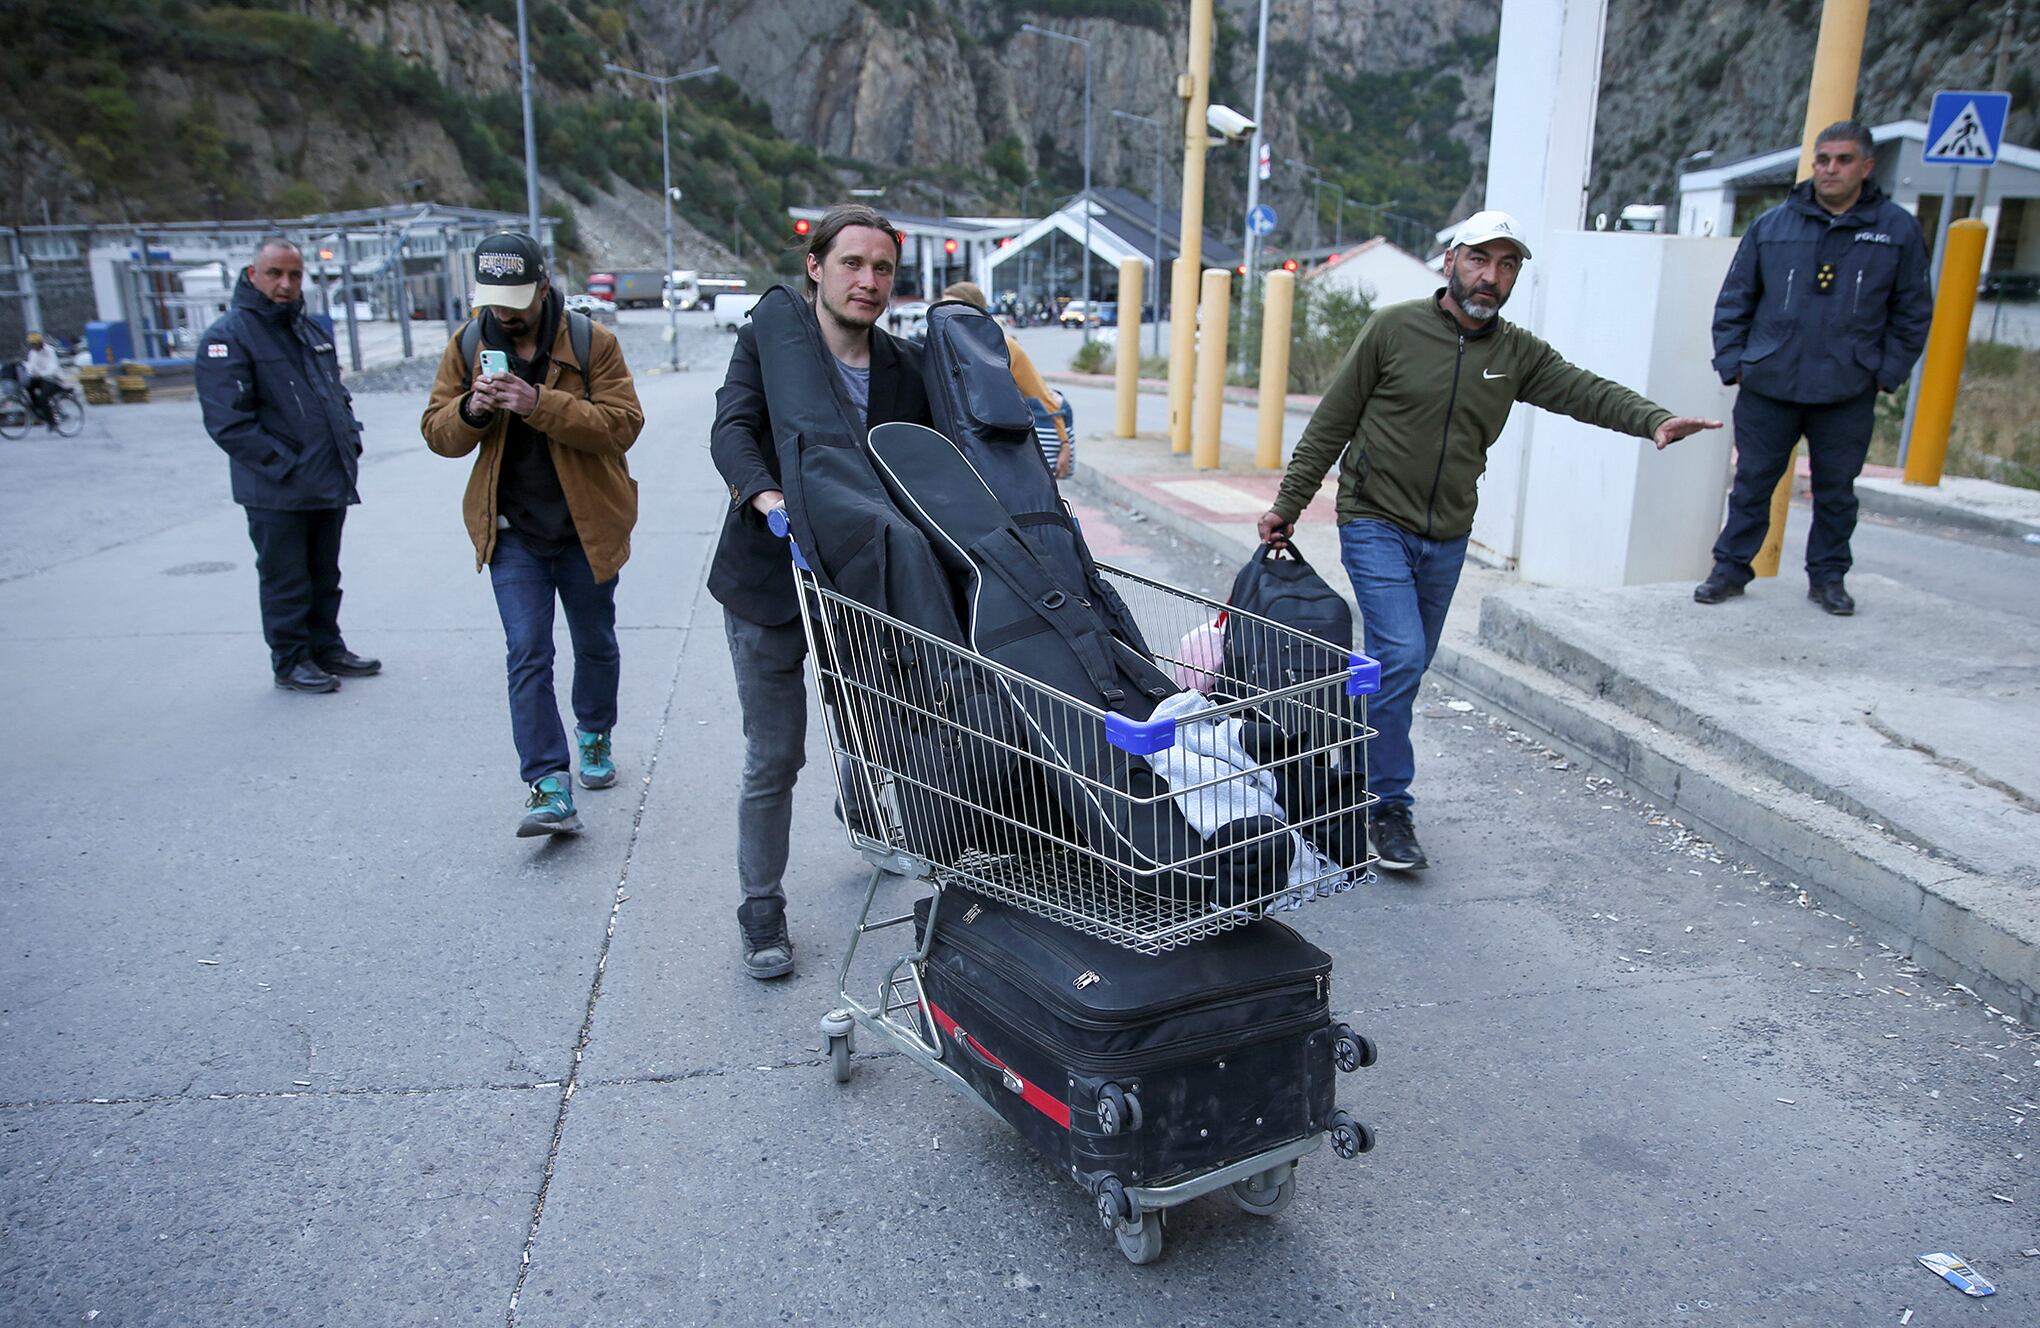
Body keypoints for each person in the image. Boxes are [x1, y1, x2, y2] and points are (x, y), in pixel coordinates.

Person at [1257, 210, 1721, 874]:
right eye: (1480, 260)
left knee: (1398, 671)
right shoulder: (1394, 330)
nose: (1491, 276)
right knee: (1403, 654)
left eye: (1507, 265)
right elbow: (1333, 421)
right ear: (1451, 261)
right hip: (1374, 519)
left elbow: (1582, 391)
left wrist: (1653, 420)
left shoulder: (1516, 354)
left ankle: (1347, 763)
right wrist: (1288, 505)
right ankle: (1387, 807)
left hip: (1447, 535)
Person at [708, 202, 934, 980]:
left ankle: (865, 807)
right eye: (852, 264)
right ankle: (761, 907)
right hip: (768, 576)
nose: (867, 281)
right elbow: (731, 431)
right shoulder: (771, 344)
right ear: (816, 266)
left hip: (860, 582)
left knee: (880, 722)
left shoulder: (905, 367)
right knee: (775, 754)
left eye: (882, 269)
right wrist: (768, 499)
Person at [422, 233, 644, 838]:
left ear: (544, 287)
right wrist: (472, 410)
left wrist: (537, 401)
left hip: (586, 526)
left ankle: (594, 732)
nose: (504, 312)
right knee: (527, 651)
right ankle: (548, 784)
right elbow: (437, 432)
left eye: (516, 298)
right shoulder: (468, 344)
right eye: (493, 299)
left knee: (595, 640)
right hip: (512, 531)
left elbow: (623, 426)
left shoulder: (591, 342)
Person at [1695, 120, 1933, 616]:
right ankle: (1731, 569)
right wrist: (1734, 364)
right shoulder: (1773, 225)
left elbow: (1912, 312)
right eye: (1822, 159)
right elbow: (1735, 299)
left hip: (1847, 388)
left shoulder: (1896, 231)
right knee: (1752, 484)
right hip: (1770, 382)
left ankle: (1828, 578)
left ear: (1866, 167)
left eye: (1843, 160)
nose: (1830, 169)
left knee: (1836, 492)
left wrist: (1885, 373)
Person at [196, 237, 381, 694]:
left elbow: (333, 395)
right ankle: (291, 660)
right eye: (276, 274)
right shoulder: (227, 337)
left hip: (325, 479)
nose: (285, 284)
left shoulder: (311, 330)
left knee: (325, 574)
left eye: (294, 275)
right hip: (276, 490)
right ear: (252, 275)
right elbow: (229, 423)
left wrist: (349, 440)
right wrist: (286, 465)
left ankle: (325, 646)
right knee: (285, 578)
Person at [939, 280, 1073, 478]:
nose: (946, 316)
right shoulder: (948, 348)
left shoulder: (1004, 346)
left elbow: (1042, 395)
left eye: (954, 307)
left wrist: (1064, 444)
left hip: (1011, 450)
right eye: (941, 309)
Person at [22, 332, 63, 428]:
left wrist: (42, 374)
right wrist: (29, 371)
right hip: (41, 379)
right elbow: (31, 366)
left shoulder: (50, 351)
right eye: (32, 344)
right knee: (28, 386)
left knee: (43, 397)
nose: (34, 346)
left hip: (53, 379)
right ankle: (38, 408)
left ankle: (52, 422)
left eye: (35, 344)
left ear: (40, 343)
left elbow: (53, 367)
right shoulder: (32, 353)